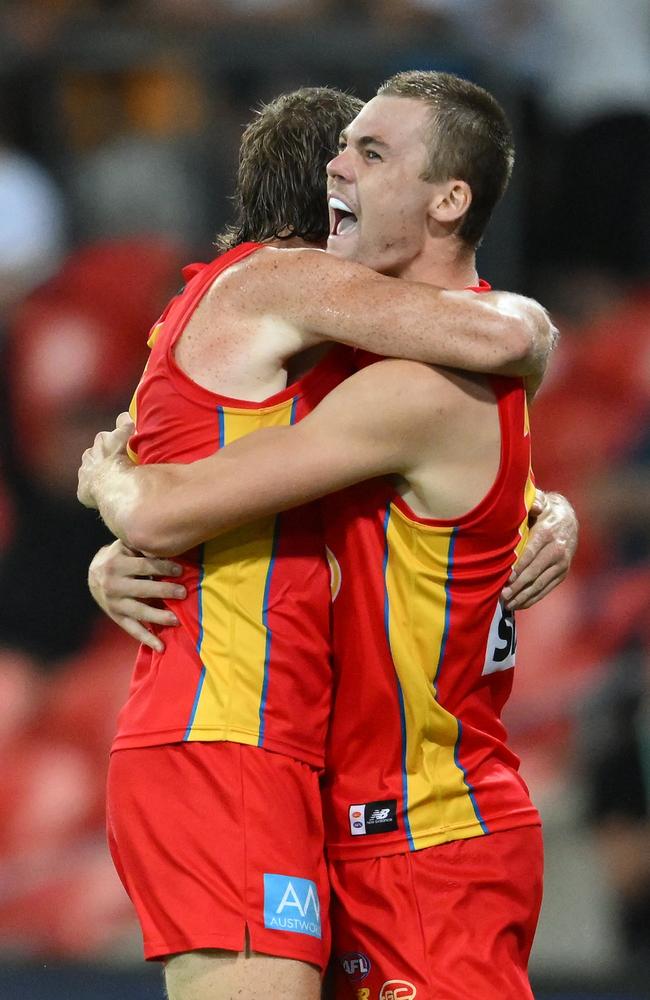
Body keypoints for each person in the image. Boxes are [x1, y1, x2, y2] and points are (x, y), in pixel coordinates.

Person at [79, 78, 573, 1000]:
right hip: (280, 770)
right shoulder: (300, 309)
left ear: (441, 198)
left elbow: (187, 489)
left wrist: (121, 500)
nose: (349, 167)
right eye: (344, 151)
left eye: (374, 153)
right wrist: (127, 524)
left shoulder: (385, 382)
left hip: (412, 828)